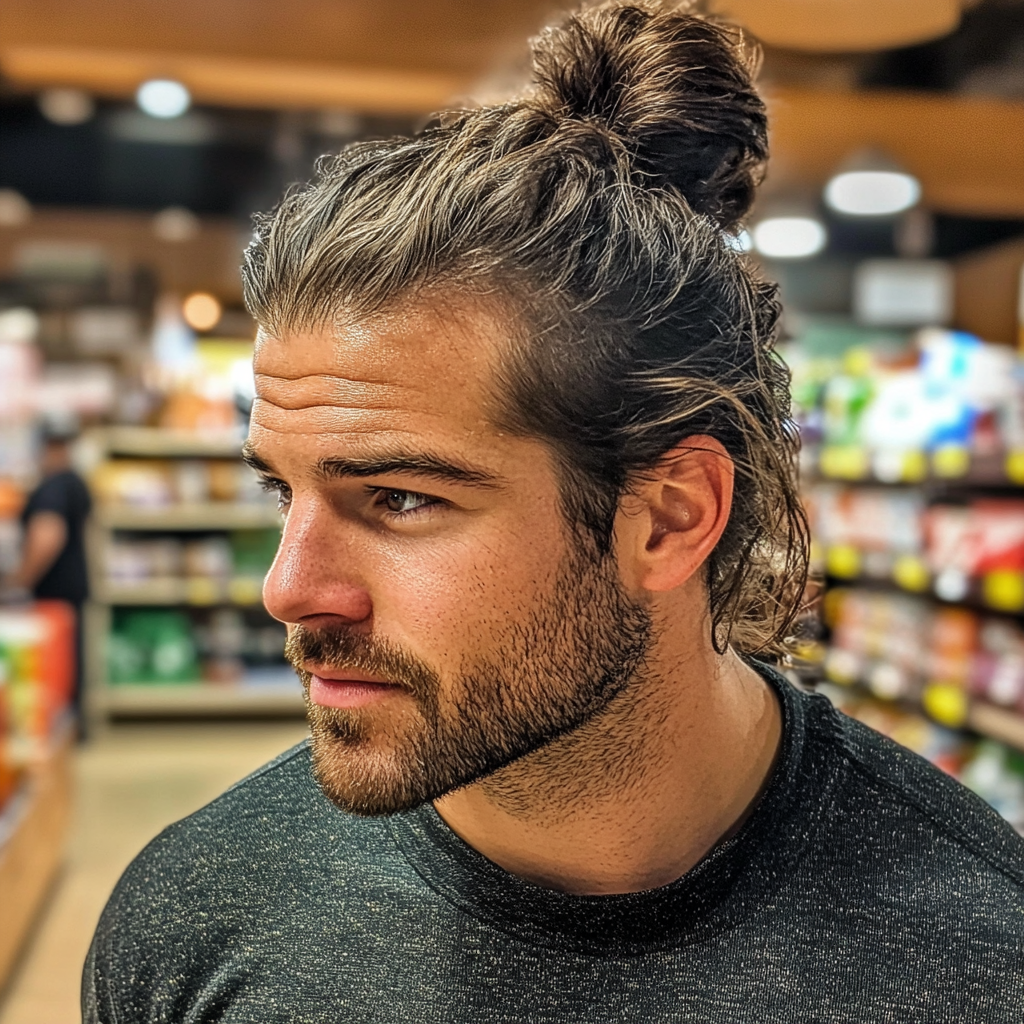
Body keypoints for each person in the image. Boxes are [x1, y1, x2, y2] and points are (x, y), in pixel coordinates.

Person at [84, 4, 1024, 1021]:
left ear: (667, 518)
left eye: (399, 498)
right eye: (284, 488)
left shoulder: (976, 952)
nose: (288, 590)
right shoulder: (196, 924)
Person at [2, 418, 91, 724]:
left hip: (53, 592)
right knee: (71, 662)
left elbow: (48, 534)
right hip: (72, 588)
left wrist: (19, 581)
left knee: (53, 667)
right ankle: (72, 726)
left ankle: (62, 732)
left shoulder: (53, 485)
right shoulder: (75, 481)